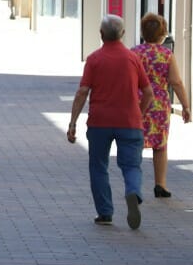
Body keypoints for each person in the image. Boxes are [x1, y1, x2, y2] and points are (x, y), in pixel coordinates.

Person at [66, 15, 153, 230]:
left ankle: (105, 212)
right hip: (129, 122)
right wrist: (139, 113)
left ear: (101, 34)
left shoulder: (94, 59)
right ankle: (133, 191)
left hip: (100, 122)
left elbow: (82, 92)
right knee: (131, 165)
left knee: (98, 166)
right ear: (122, 34)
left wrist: (73, 122)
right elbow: (149, 93)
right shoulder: (133, 59)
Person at [130, 13, 191, 198]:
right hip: (159, 105)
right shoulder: (166, 54)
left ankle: (134, 183)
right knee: (160, 145)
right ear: (162, 33)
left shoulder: (134, 53)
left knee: (136, 143)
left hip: (138, 102)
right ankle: (160, 184)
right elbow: (176, 82)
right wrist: (186, 106)